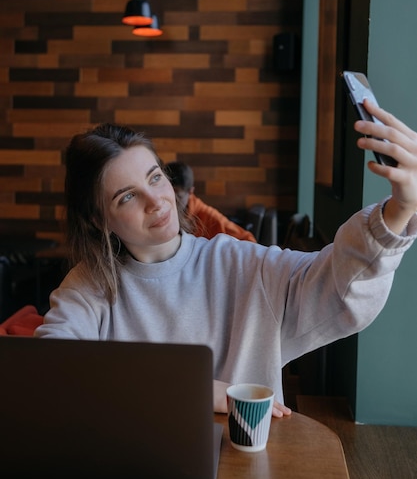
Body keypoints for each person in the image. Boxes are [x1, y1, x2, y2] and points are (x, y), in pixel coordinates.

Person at [35, 100, 417, 419]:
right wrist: (202, 392)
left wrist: (399, 211)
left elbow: (338, 287)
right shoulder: (89, 287)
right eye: (127, 197)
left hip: (247, 471)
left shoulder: (242, 265)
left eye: (155, 178)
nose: (156, 201)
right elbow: (50, 370)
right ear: (99, 219)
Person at [164, 161, 257, 242]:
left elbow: (248, 240)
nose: (171, 200)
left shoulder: (208, 217)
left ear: (191, 191)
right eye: (166, 192)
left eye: (178, 196)